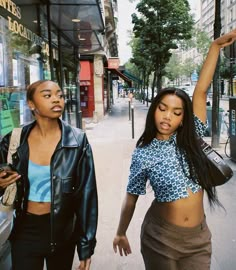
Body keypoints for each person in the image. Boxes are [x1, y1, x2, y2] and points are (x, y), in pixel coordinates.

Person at [113, 29, 236, 270]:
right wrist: (120, 232)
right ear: (154, 110)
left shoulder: (190, 137)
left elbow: (200, 90)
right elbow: (131, 197)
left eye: (177, 112)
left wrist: (215, 47)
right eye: (162, 108)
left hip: (198, 239)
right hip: (161, 238)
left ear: (183, 118)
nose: (168, 116)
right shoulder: (144, 151)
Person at [0, 80, 98, 270]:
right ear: (31, 104)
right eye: (47, 95)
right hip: (25, 230)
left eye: (60, 95)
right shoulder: (14, 140)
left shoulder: (77, 141)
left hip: (63, 231)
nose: (57, 100)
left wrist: (86, 246)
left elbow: (87, 196)